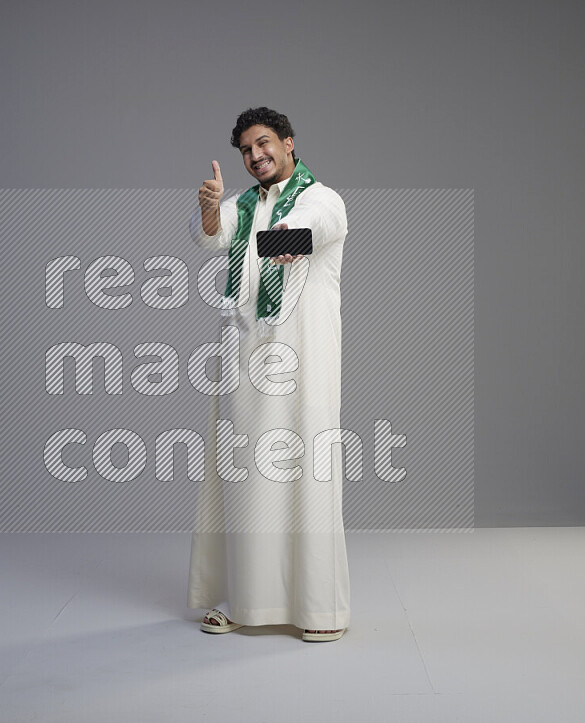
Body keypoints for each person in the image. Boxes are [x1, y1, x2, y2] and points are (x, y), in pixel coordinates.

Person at [186, 107, 350, 642]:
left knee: (306, 478)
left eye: (263, 144)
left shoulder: (322, 198)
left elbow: (305, 231)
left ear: (288, 143)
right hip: (243, 363)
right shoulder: (239, 205)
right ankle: (244, 602)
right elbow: (209, 236)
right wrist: (211, 211)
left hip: (304, 362)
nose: (255, 156)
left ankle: (318, 611)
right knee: (245, 482)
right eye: (245, 151)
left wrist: (280, 237)